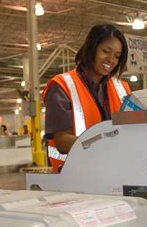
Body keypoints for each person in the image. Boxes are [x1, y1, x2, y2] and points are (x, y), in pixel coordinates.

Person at [43, 23, 131, 171]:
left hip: (115, 170)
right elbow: (62, 142)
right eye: (105, 51)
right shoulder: (61, 86)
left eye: (117, 56)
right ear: (91, 48)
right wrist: (102, 147)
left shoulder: (122, 89)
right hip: (74, 173)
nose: (111, 59)